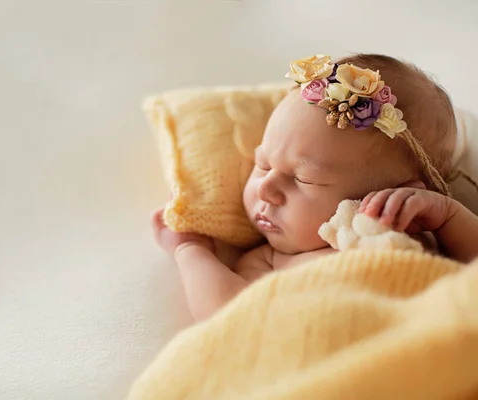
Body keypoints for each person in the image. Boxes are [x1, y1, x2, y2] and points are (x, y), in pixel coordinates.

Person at [151, 54, 478, 322]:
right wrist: (191, 249)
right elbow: (229, 315)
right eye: (263, 164)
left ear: (402, 192)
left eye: (303, 179)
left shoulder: (420, 233)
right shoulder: (268, 261)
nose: (266, 188)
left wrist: (448, 217)